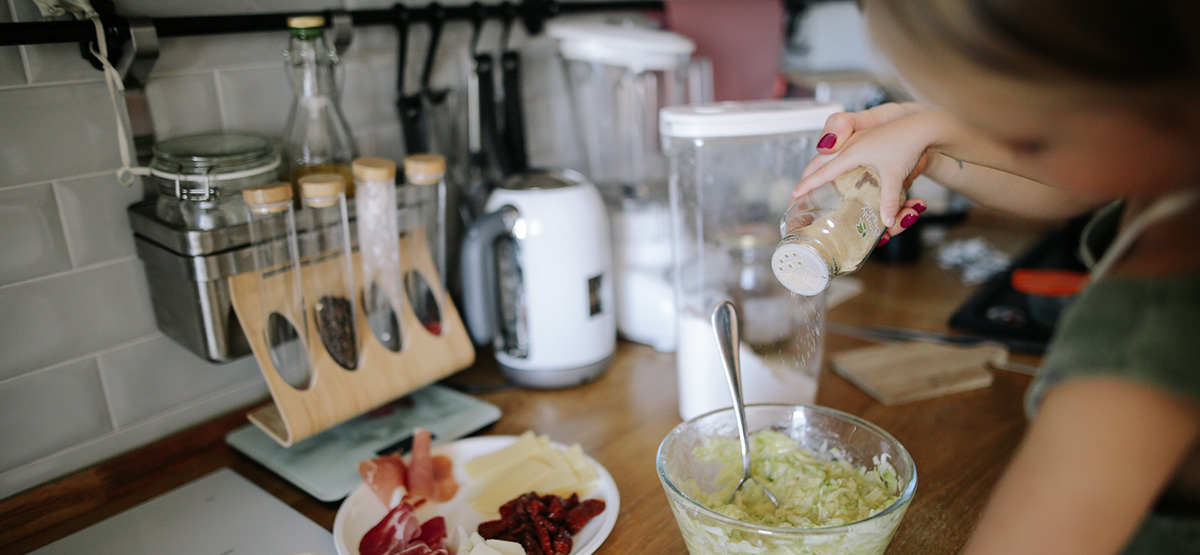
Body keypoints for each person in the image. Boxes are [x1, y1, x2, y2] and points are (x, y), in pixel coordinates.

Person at [791, 1, 1200, 553]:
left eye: (1027, 137)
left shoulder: (1139, 350)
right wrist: (929, 142)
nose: (998, 144)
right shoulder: (1168, 166)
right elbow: (1078, 179)